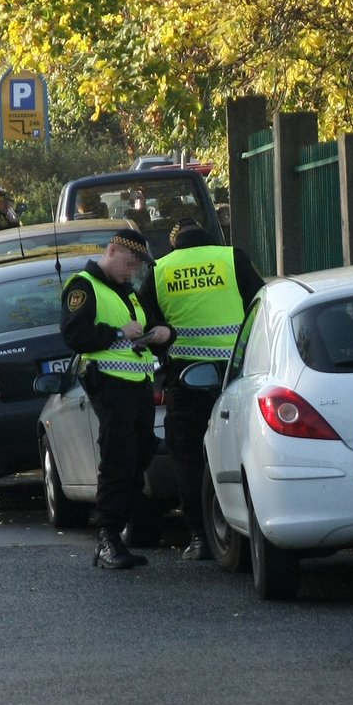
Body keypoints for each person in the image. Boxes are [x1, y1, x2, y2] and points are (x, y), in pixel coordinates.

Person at [138, 218, 264, 560]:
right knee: (246, 453)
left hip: (186, 378)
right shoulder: (231, 258)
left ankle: (201, 538)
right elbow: (262, 306)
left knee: (188, 459)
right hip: (238, 375)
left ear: (175, 243)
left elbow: (149, 327)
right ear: (209, 239)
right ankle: (253, 532)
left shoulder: (160, 269)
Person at [60, 229, 174, 569]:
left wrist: (164, 334)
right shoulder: (84, 286)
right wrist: (116, 333)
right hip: (109, 385)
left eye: (139, 264)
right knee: (118, 457)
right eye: (130, 261)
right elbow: (74, 335)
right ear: (112, 250)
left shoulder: (127, 292)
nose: (134, 269)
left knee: (141, 451)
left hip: (137, 383)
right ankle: (108, 537)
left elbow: (146, 328)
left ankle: (117, 531)